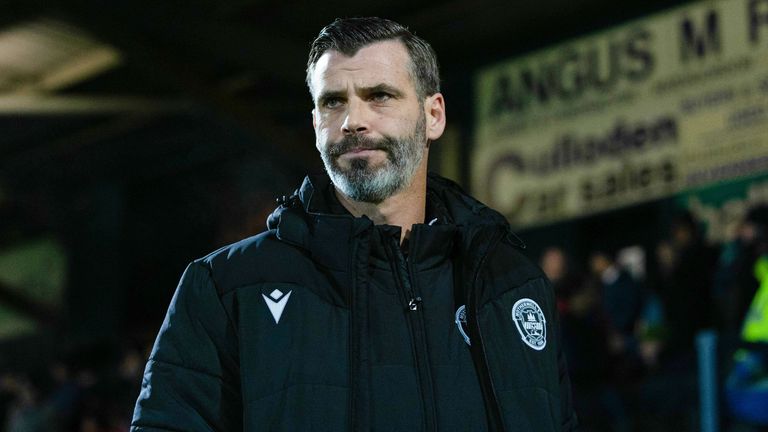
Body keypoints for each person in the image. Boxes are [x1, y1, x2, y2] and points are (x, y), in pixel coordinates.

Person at [130, 17, 576, 431]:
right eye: (333, 102)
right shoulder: (227, 289)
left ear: (433, 115)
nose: (353, 121)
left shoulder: (514, 286)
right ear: (315, 123)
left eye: (379, 95)